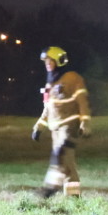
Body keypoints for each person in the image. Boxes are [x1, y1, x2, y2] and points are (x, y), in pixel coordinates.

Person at [34, 46, 89, 198]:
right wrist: (39, 126)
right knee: (68, 165)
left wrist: (85, 122)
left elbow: (82, 102)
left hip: (70, 126)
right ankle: (74, 197)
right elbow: (48, 108)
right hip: (55, 129)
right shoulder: (50, 83)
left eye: (50, 60)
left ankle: (50, 188)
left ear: (59, 60)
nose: (47, 64)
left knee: (59, 155)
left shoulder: (73, 78)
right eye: (45, 61)